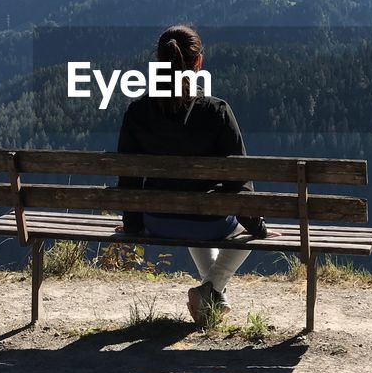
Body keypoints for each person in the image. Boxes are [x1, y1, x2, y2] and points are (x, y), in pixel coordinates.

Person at [115, 24, 273, 323]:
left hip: (157, 221)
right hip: (208, 223)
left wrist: (133, 225)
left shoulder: (137, 112)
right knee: (237, 228)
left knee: (186, 203)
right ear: (198, 63)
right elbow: (239, 180)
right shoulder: (217, 111)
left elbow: (128, 178)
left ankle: (212, 298)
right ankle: (211, 289)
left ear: (159, 63)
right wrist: (258, 228)